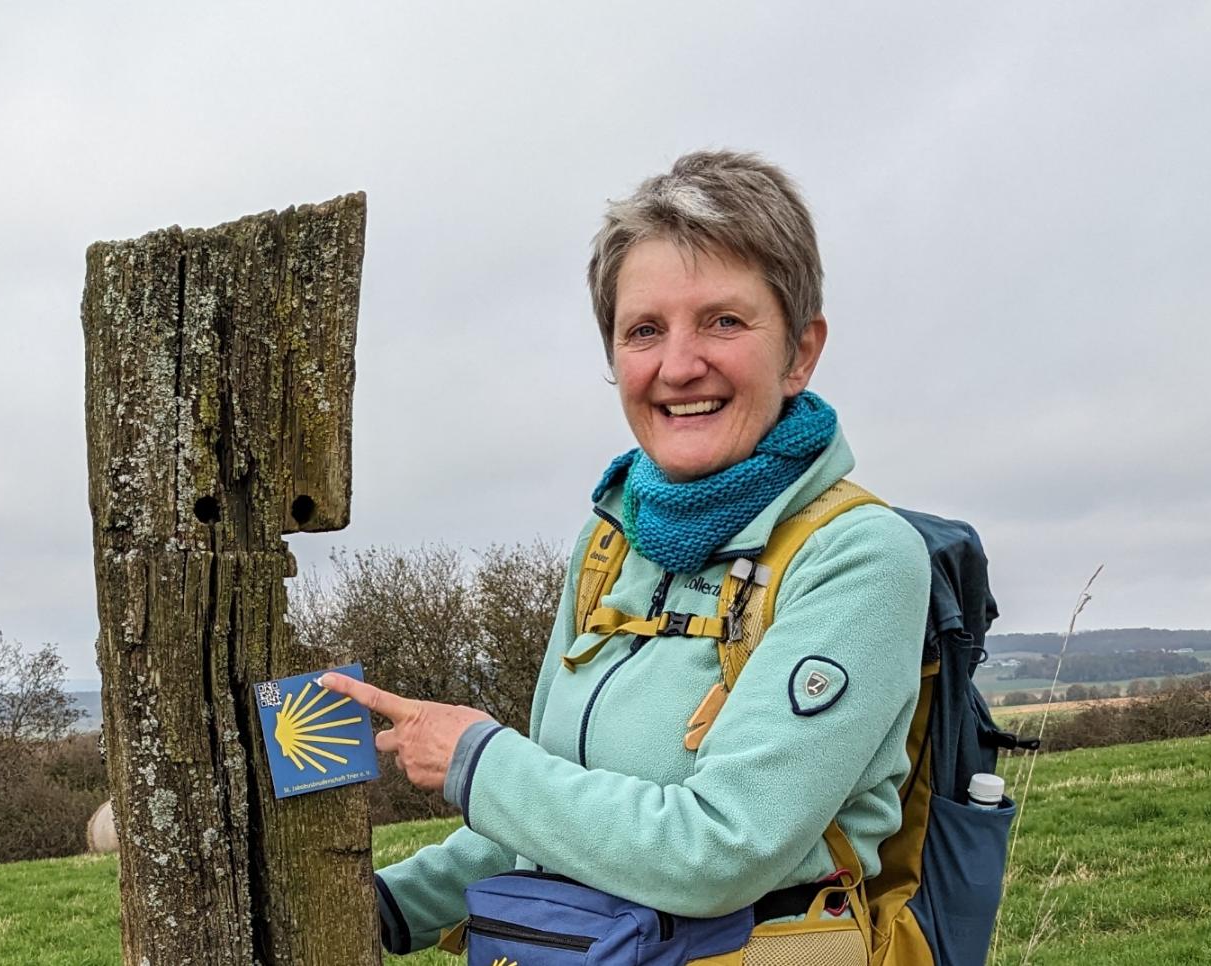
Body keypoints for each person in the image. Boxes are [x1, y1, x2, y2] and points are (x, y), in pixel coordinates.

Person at [319, 150, 929, 956]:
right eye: (644, 330)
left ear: (801, 351)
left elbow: (724, 850)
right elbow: (544, 823)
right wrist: (377, 909)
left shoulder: (858, 557)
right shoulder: (612, 543)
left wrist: (476, 761)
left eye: (725, 321)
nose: (679, 366)